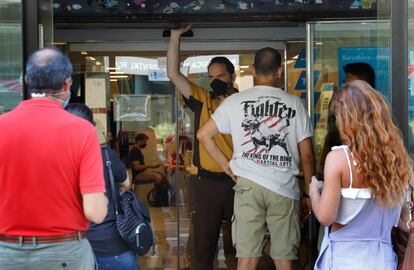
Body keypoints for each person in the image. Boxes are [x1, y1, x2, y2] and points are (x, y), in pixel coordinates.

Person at [197, 47, 315, 270]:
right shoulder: (295, 104)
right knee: (283, 258)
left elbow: (203, 135)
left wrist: (226, 165)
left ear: (252, 70)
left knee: (247, 258)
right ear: (279, 71)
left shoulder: (234, 102)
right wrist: (309, 192)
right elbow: (307, 156)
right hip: (284, 188)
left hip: (248, 187)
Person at [0, 47, 108, 270]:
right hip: (64, 253)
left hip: (5, 253)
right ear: (67, 84)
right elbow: (95, 212)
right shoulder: (82, 131)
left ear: (27, 81)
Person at [310, 80, 412, 270]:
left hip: (344, 259)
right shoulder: (397, 161)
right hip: (383, 259)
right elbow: (404, 222)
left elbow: (325, 216)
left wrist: (314, 191)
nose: (337, 123)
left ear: (349, 120)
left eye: (339, 117)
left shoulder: (339, 160)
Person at [167, 25, 238, 270]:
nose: (214, 81)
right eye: (211, 76)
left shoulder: (244, 103)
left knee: (238, 246)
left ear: (232, 77)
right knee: (202, 248)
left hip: (237, 182)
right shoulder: (201, 99)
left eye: (220, 76)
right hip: (205, 183)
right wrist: (176, 36)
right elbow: (174, 74)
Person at [66, 103, 139, 270]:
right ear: (91, 127)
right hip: (112, 245)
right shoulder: (106, 155)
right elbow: (127, 184)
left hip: (73, 247)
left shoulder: (55, 160)